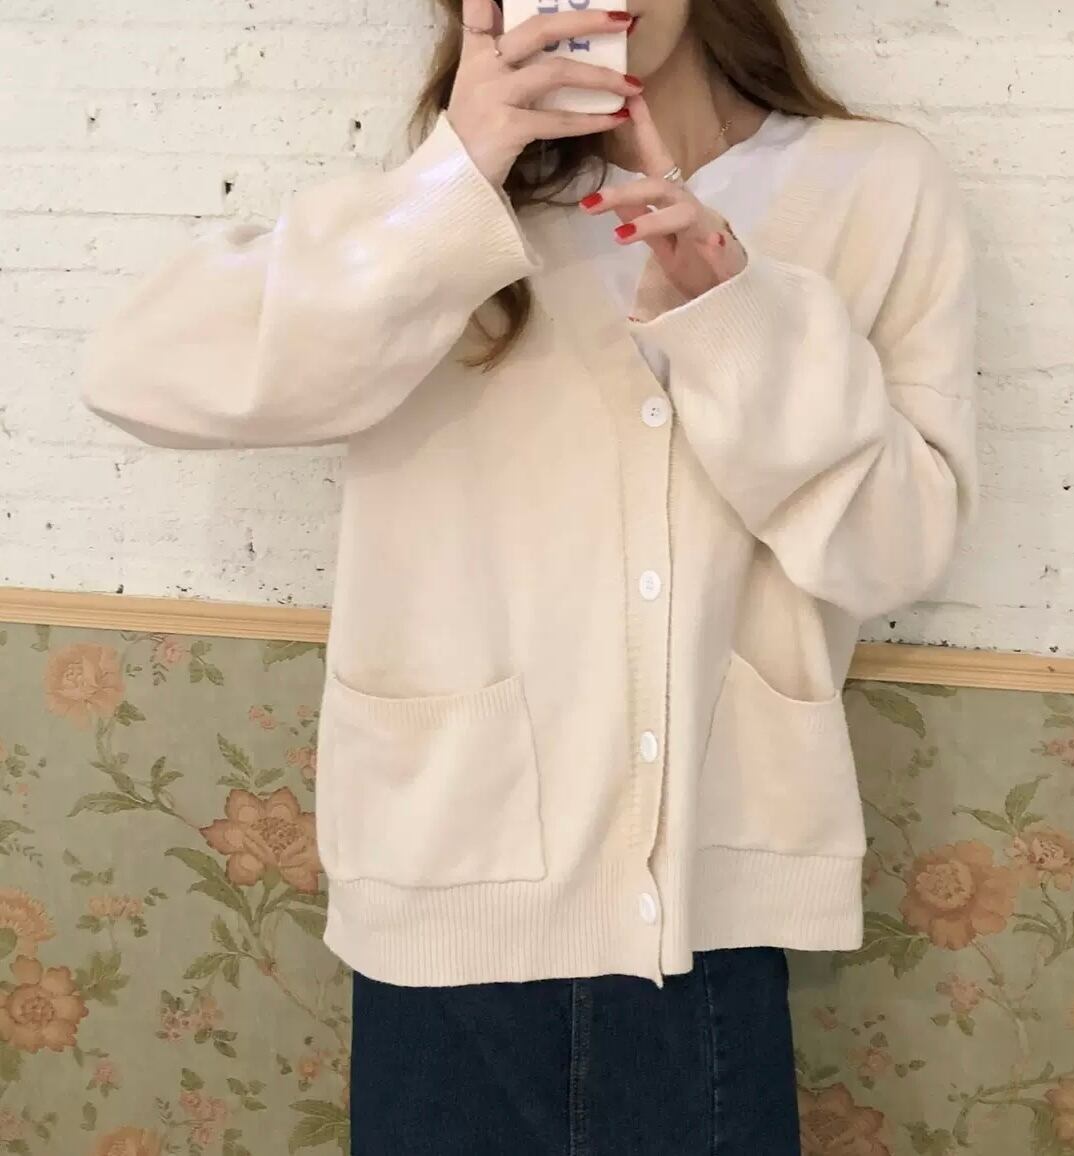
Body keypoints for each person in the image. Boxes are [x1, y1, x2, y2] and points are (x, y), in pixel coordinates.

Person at [80, 0, 978, 1150]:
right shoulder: (446, 209)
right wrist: (450, 180)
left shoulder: (873, 187)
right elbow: (135, 373)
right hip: (447, 898)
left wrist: (733, 309)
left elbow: (898, 546)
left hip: (704, 914)